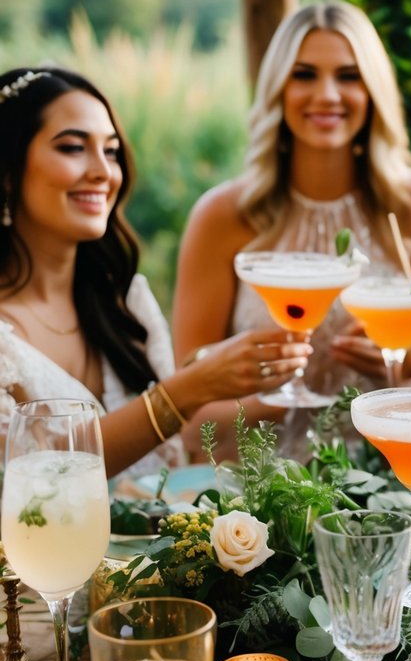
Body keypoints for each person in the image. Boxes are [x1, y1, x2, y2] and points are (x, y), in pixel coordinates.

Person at [172, 0, 411, 460]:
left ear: (373, 89)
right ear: (278, 89)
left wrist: (406, 355)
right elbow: (186, 412)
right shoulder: (222, 216)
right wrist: (274, 389)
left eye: (348, 76)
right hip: (254, 499)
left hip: (388, 483)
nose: (327, 95)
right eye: (304, 75)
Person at [0, 66, 308, 480]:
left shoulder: (126, 301)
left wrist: (225, 374)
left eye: (110, 152)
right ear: (6, 171)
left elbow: (175, 459)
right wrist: (189, 388)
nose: (102, 172)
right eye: (73, 148)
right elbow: (35, 475)